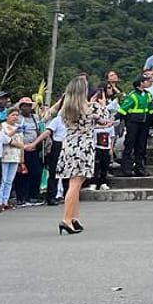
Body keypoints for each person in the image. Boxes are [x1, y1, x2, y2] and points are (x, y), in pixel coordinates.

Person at [55, 75, 111, 234]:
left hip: (69, 144)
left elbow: (49, 116)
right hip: (84, 146)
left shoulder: (65, 107)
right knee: (75, 184)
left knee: (75, 184)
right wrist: (103, 105)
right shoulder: (91, 107)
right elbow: (105, 120)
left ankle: (73, 217)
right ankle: (66, 219)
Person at [117, 77, 153, 177]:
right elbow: (123, 109)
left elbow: (151, 109)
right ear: (140, 83)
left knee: (141, 146)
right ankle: (126, 169)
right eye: (146, 81)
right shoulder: (132, 95)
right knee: (129, 144)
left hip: (144, 122)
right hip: (133, 123)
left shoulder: (148, 95)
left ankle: (140, 168)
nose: (148, 82)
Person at [27, 113, 65, 204]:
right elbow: (47, 132)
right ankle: (51, 196)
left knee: (68, 173)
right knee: (54, 172)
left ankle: (66, 195)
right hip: (58, 145)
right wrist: (34, 143)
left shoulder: (76, 119)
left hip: (70, 145)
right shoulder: (58, 120)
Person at [15, 96, 44, 205]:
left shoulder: (35, 117)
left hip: (34, 148)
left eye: (28, 106)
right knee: (22, 174)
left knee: (36, 172)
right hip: (22, 149)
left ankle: (33, 196)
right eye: (24, 106)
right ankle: (21, 197)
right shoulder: (18, 118)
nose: (26, 108)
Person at [0, 107, 25, 209]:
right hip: (4, 155)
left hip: (15, 156)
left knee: (10, 180)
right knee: (3, 179)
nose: (15, 117)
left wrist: (22, 158)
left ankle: (5, 201)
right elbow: (5, 138)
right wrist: (15, 131)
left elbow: (22, 142)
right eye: (13, 115)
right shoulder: (2, 126)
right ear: (7, 116)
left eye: (17, 115)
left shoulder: (19, 127)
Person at [88, 88, 115, 192]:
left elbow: (111, 130)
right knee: (96, 164)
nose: (102, 100)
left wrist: (111, 147)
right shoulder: (92, 110)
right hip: (95, 143)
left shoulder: (107, 111)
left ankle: (103, 182)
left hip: (106, 143)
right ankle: (93, 182)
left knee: (105, 164)